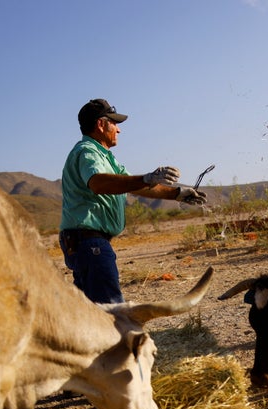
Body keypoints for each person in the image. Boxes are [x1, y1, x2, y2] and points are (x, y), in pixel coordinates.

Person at [59, 98, 206, 304]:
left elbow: (138, 187)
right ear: (101, 124)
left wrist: (178, 193)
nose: (118, 130)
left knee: (89, 310)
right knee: (112, 311)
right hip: (89, 243)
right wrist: (146, 177)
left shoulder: (107, 158)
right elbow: (98, 183)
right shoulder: (87, 152)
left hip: (86, 242)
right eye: (114, 123)